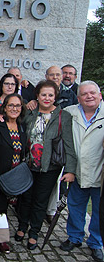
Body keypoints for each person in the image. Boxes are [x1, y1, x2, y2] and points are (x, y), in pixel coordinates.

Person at [14, 80, 76, 250]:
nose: (47, 98)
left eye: (50, 95)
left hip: (49, 167)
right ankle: (22, 226)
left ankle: (34, 232)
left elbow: (69, 144)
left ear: (55, 96)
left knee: (40, 201)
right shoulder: (30, 113)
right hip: (28, 164)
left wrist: (70, 170)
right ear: (37, 96)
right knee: (25, 198)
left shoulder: (64, 116)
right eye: (43, 95)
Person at [62, 81, 104, 262]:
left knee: (99, 211)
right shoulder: (69, 112)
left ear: (100, 95)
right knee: (75, 207)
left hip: (100, 172)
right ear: (78, 98)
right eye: (85, 94)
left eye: (92, 93)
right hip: (78, 171)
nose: (89, 96)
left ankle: (96, 243)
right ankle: (75, 237)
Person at [0, 93, 27, 254]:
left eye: (17, 106)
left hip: (14, 176)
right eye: (11, 105)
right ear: (4, 107)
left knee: (4, 210)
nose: (14, 109)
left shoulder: (22, 126)